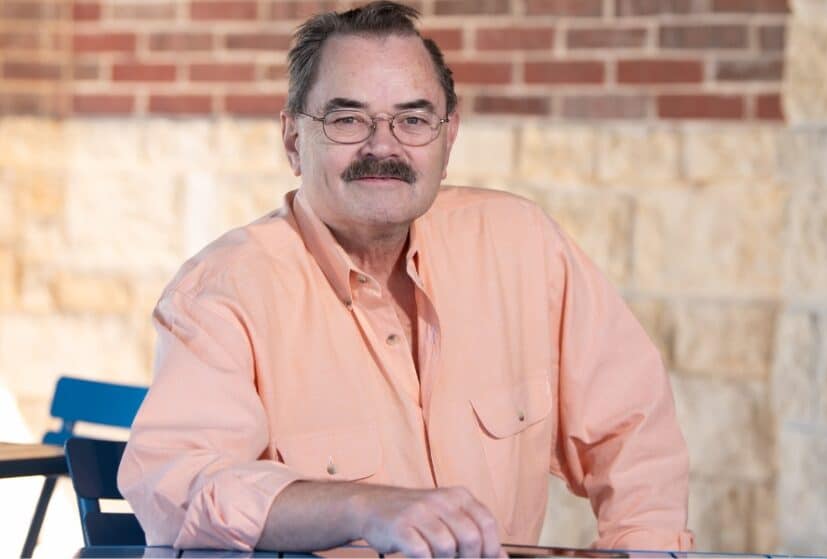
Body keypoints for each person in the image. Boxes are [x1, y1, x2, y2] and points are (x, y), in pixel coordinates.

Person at [118, 2, 693, 557]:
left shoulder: (523, 245)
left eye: (413, 119)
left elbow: (633, 429)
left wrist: (642, 552)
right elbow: (176, 487)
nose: (383, 145)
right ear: (294, 140)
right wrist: (364, 509)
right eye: (348, 119)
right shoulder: (224, 290)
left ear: (449, 136)